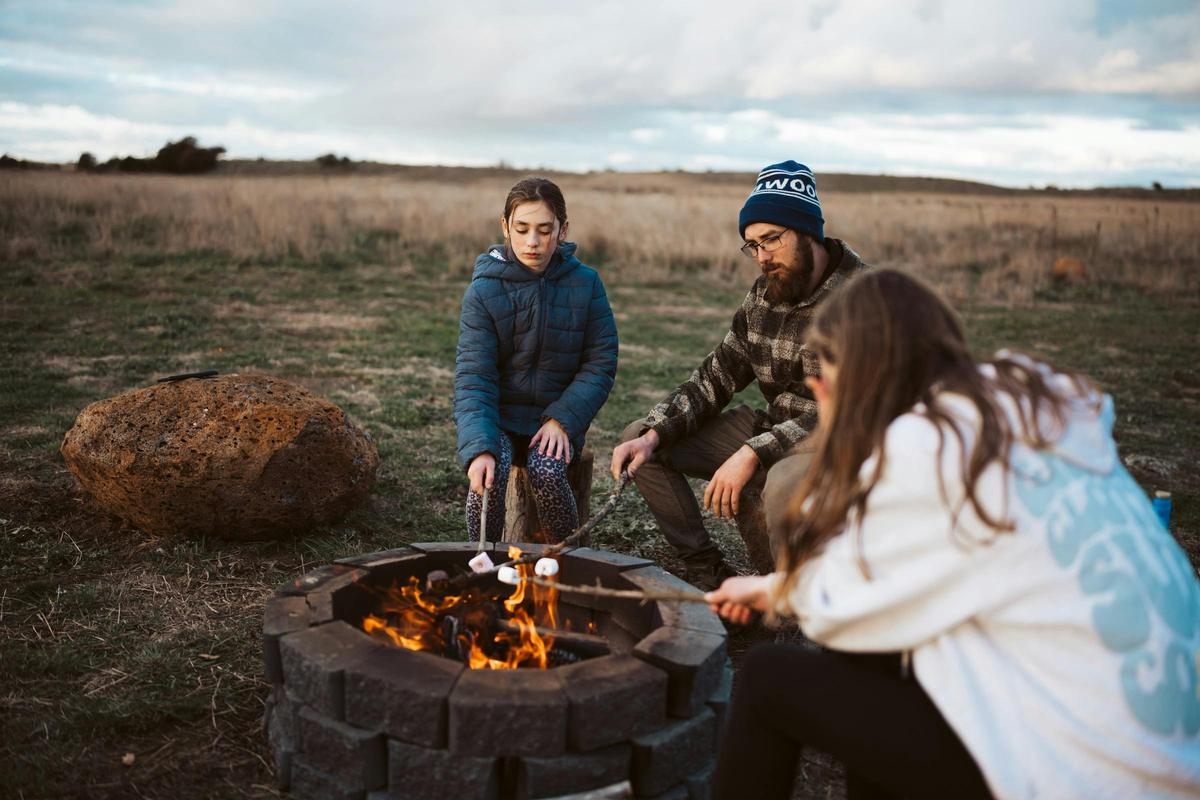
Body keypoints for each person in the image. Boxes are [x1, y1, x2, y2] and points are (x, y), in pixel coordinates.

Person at [705, 269, 1200, 799]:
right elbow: (892, 580)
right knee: (879, 656)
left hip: (1087, 773)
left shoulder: (924, 445)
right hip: (1174, 755)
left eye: (822, 383)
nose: (822, 399)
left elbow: (849, 600)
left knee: (765, 679)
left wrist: (771, 591)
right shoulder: (1028, 413)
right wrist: (771, 589)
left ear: (854, 376)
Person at [610, 160, 869, 588]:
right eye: (752, 245)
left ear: (808, 232)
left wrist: (751, 453)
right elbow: (718, 374)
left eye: (772, 239)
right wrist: (656, 431)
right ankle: (706, 570)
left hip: (836, 446)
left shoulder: (863, 297)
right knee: (641, 440)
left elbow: (845, 412)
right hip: (773, 431)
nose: (763, 257)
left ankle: (800, 598)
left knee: (781, 485)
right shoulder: (766, 294)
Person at [455, 177, 618, 543]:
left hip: (555, 418)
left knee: (546, 472)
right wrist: (479, 447)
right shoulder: (483, 291)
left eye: (545, 230)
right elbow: (473, 377)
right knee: (488, 477)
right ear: (505, 227)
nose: (533, 242)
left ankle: (566, 557)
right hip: (498, 420)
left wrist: (564, 419)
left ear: (563, 230)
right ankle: (484, 562)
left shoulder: (587, 284)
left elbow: (600, 362)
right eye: (522, 229)